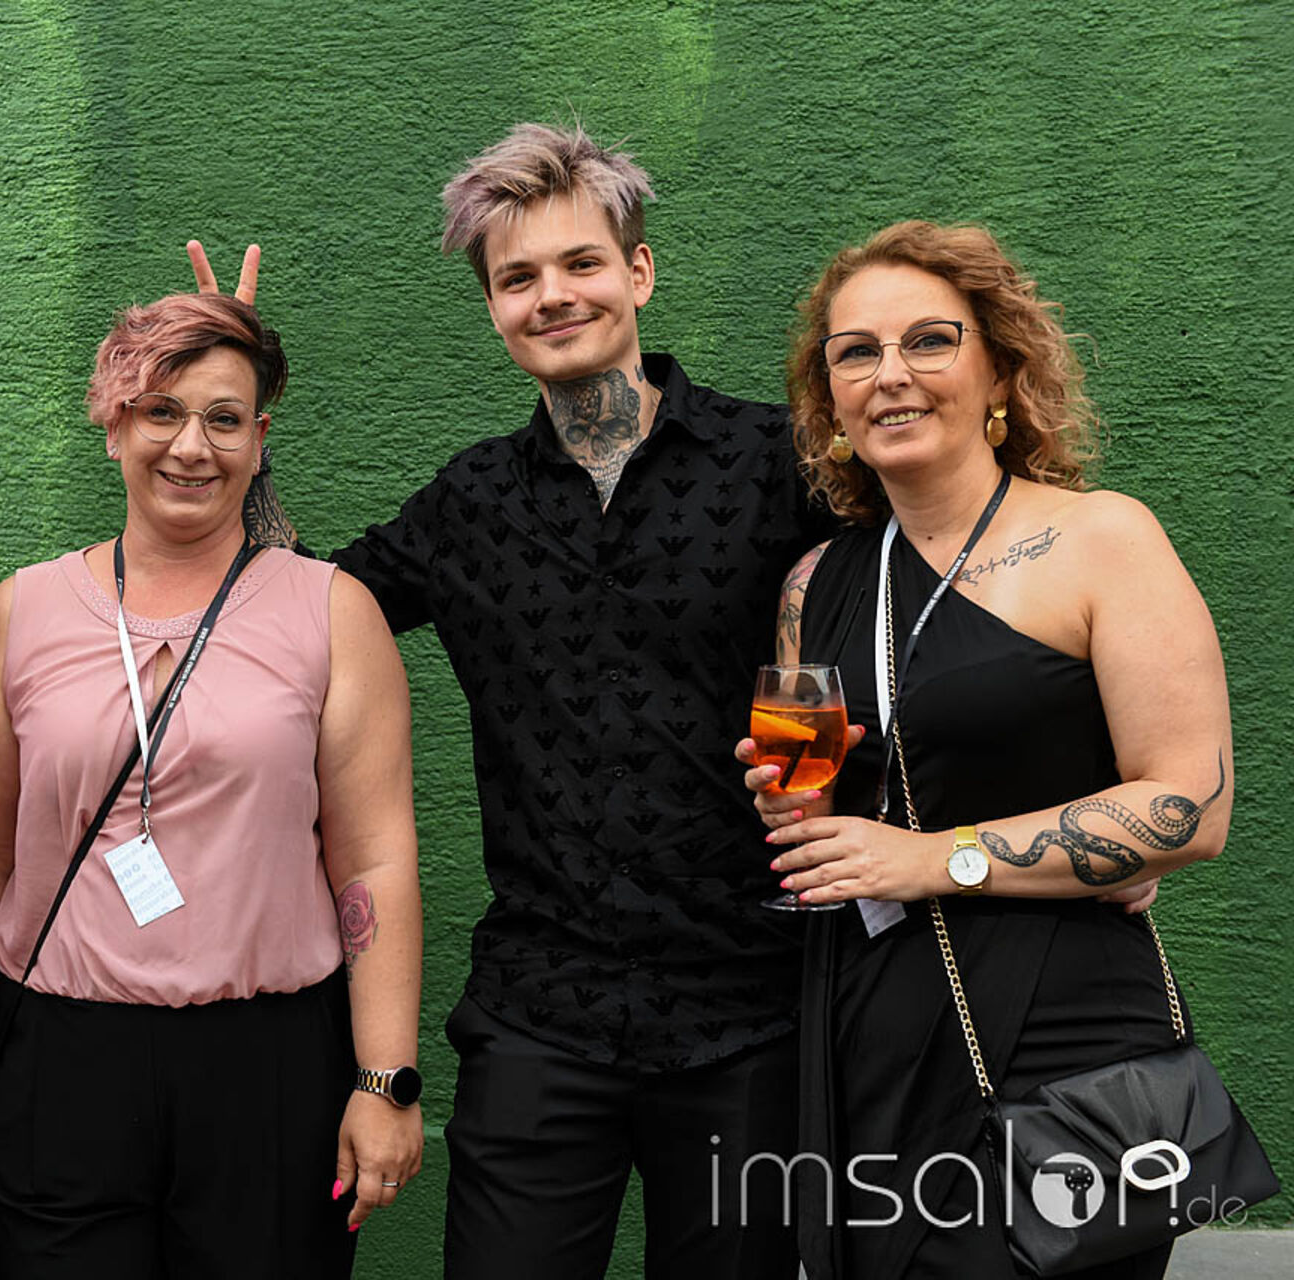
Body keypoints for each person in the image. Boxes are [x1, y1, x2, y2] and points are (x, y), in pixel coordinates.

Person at [201, 120, 825, 1279]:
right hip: (541, 1014)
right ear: (493, 307)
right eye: (518, 277)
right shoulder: (471, 502)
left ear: (639, 271)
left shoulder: (778, 465)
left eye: (581, 262)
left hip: (754, 1013)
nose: (553, 295)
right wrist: (233, 394)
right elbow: (298, 606)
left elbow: (926, 617)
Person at [745, 220, 1230, 1278]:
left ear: (1001, 372)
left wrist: (932, 857)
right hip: (872, 1025)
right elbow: (815, 805)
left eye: (930, 340)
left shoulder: (1103, 540)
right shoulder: (813, 584)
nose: (891, 375)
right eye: (855, 353)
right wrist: (792, 804)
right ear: (830, 401)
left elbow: (1190, 806)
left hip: (1067, 1034)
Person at [0, 291, 423, 1279]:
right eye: (161, 411)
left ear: (259, 441)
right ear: (114, 426)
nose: (192, 446)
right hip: (61, 1057)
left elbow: (374, 858)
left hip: (268, 1066)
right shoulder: (22, 613)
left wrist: (384, 1079)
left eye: (224, 419)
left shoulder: (333, 612)